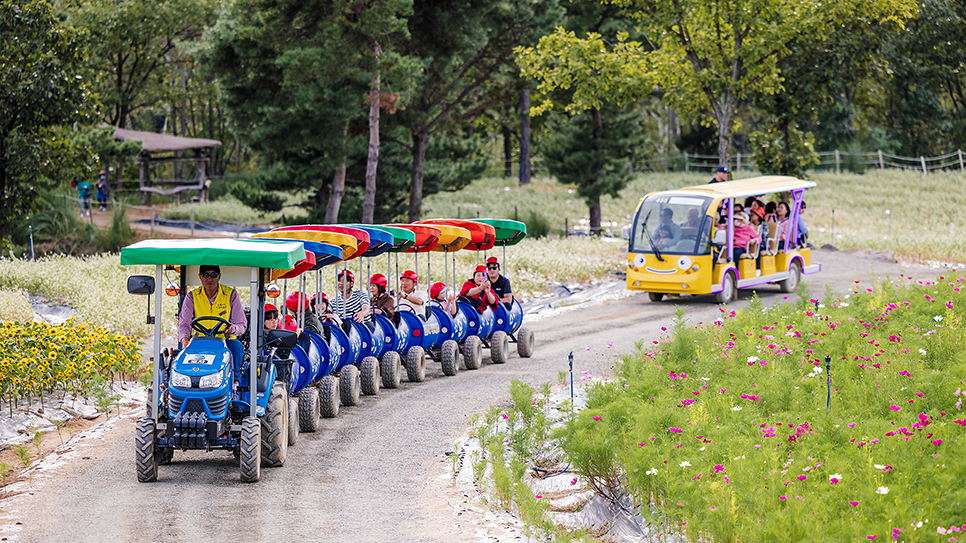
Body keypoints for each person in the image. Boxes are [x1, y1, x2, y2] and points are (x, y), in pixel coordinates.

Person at [177, 265, 247, 370]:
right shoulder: (192, 296)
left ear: (219, 276)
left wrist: (233, 329)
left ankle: (235, 382)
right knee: (182, 351)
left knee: (237, 347)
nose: (209, 278)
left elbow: (241, 324)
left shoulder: (231, 294)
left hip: (225, 340)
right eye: (206, 275)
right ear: (200, 277)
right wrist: (184, 339)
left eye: (213, 275)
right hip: (199, 340)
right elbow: (184, 323)